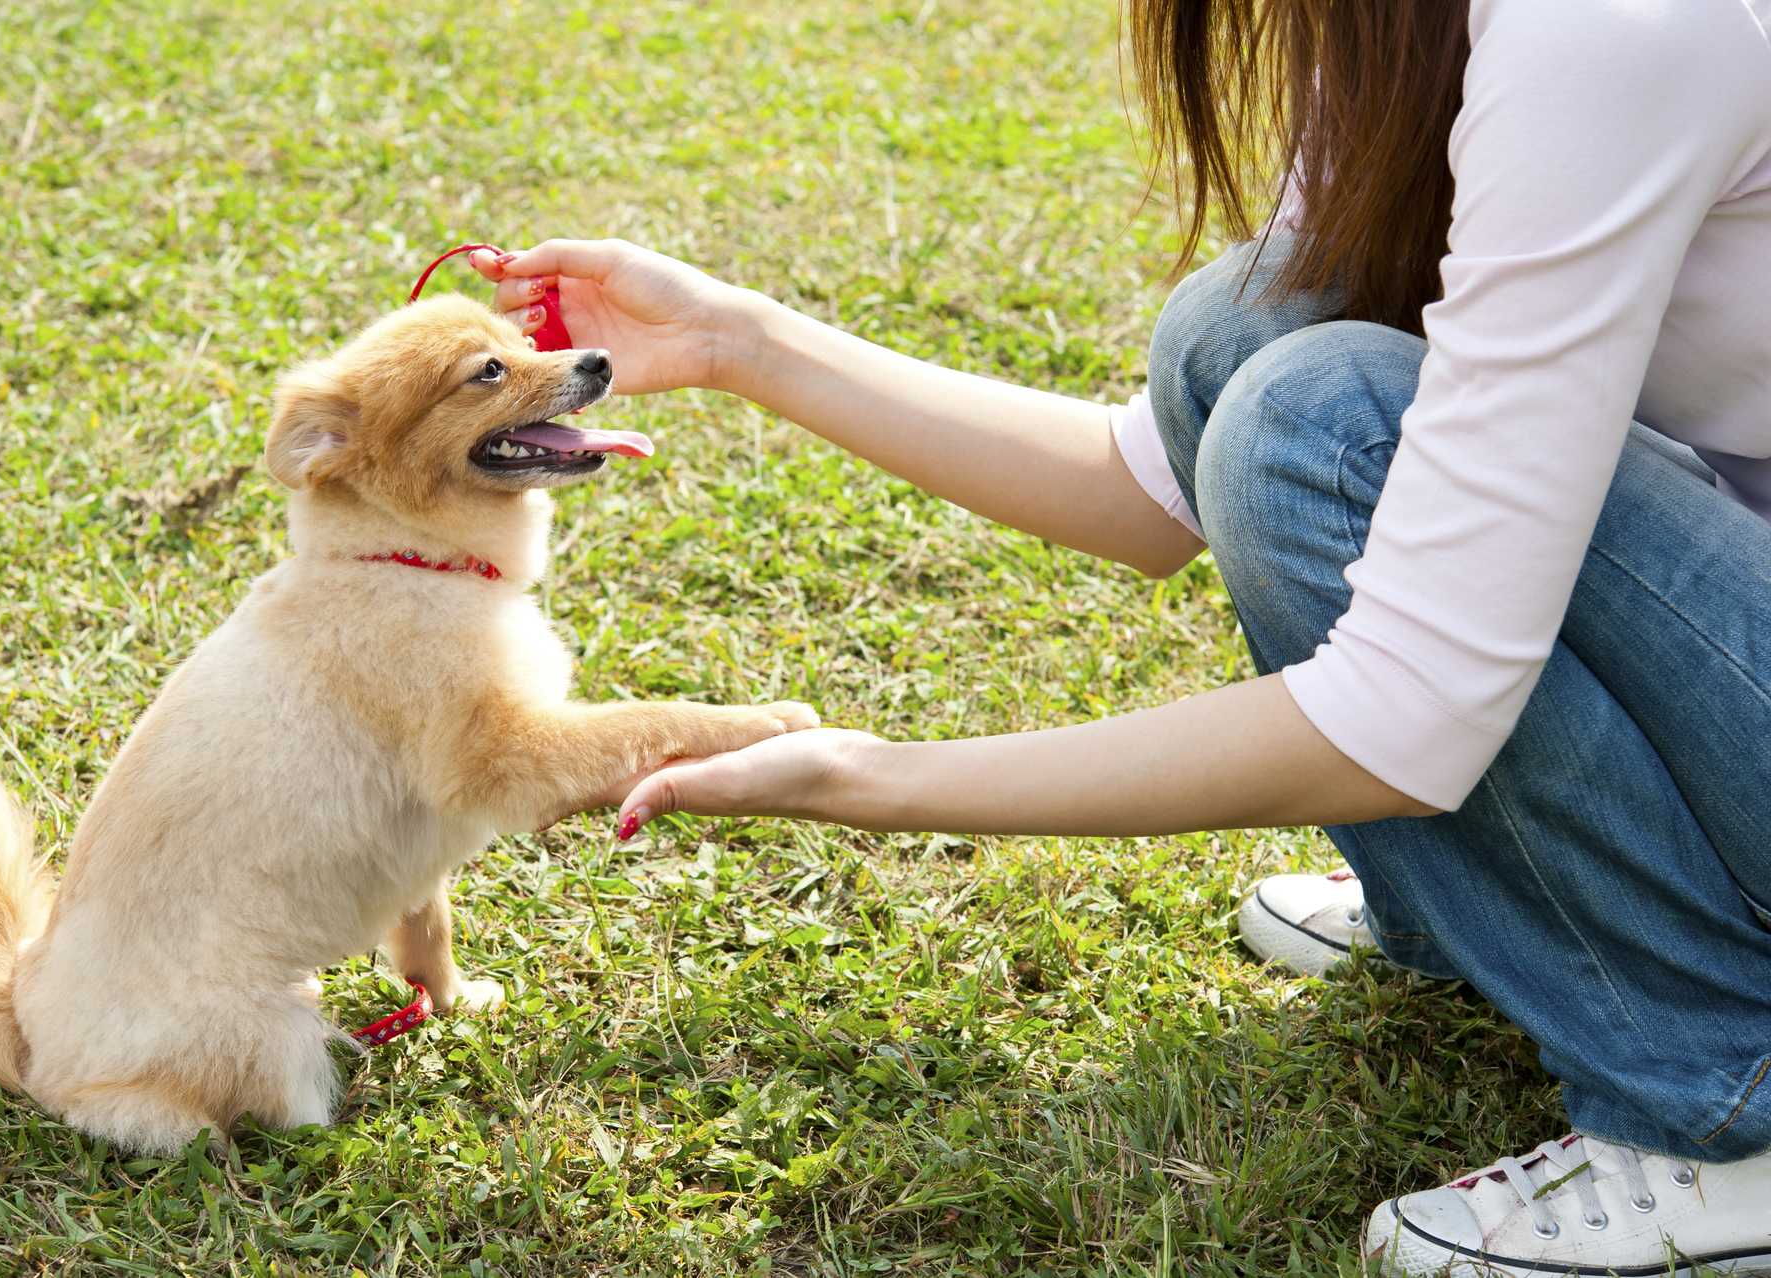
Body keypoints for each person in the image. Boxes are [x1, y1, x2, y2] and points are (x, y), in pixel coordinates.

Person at [470, 1, 1771, 1271]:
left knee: (1325, 421)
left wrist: (868, 775)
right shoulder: (1416, 28)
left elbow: (1406, 708)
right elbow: (1147, 480)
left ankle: (1725, 1114)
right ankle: (1503, 920)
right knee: (1246, 333)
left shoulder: (1612, 27)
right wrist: (731, 338)